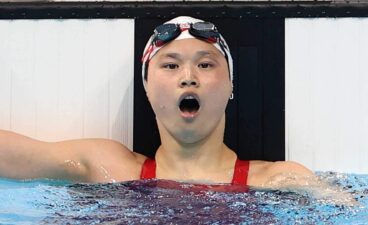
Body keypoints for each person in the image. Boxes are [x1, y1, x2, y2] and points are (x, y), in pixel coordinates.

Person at [0, 16, 313, 187]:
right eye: (171, 65)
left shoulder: (281, 181)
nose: (188, 77)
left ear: (231, 84)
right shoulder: (106, 167)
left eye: (205, 64)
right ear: (147, 87)